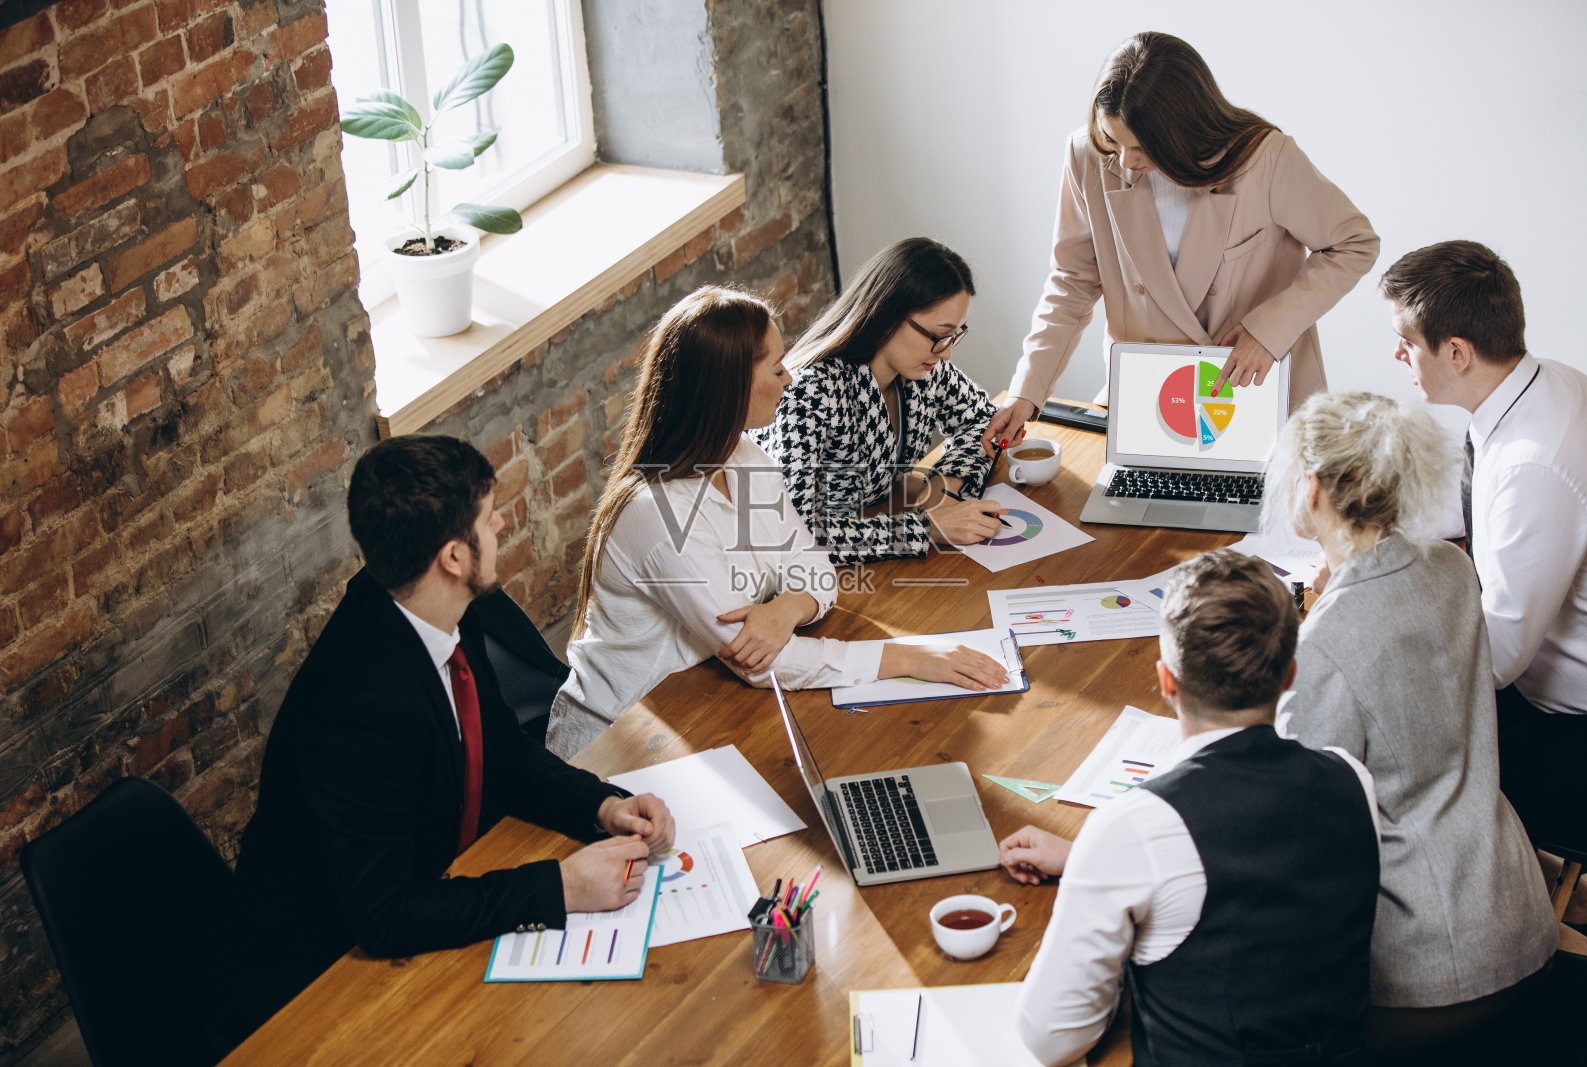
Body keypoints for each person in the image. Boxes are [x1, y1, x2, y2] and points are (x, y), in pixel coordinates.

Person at [196, 435, 677, 1056]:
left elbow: (500, 749)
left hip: (425, 893)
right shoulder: (360, 707)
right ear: (454, 555)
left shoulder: (438, 609)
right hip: (315, 983)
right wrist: (561, 887)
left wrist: (602, 804)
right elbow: (386, 915)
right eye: (488, 516)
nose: (502, 523)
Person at [545, 287, 1009, 758]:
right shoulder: (658, 514)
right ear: (730, 385)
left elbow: (815, 567)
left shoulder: (747, 459)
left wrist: (787, 609)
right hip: (618, 743)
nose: (790, 379)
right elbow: (760, 661)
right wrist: (909, 656)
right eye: (776, 368)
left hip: (704, 703)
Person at [1001, 550, 1380, 1066]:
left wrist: (1105, 859)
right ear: (1290, 674)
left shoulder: (1134, 827)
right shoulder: (1352, 779)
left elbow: (1052, 1038)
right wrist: (1092, 859)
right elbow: (1263, 870)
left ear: (1166, 682)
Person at [1266, 391, 1557, 1055]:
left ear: (1311, 488)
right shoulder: (1453, 569)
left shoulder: (1326, 645)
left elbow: (1291, 813)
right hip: (1519, 915)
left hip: (1429, 969)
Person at [986, 31, 1379, 448]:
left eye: (1141, 147)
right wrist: (1027, 391)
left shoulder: (1265, 158)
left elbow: (1354, 243)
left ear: (1183, 129)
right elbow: (1072, 282)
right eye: (1113, 140)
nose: (1125, 162)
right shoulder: (1088, 155)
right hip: (1152, 397)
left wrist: (1268, 331)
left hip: (1254, 388)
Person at [1379, 240, 1587, 857]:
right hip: (1558, 692)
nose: (1395, 353)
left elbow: (1498, 657)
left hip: (1576, 736)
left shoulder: (1537, 466)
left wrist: (1383, 620)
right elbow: (1479, 499)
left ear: (1456, 351)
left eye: (1405, 339)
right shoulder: (1546, 384)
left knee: (1385, 742)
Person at [751, 238, 1006, 565]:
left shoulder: (925, 372)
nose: (946, 352)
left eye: (955, 334)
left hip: (876, 532)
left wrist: (943, 490)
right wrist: (927, 528)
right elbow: (803, 534)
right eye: (937, 335)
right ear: (887, 314)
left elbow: (984, 422)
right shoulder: (812, 392)